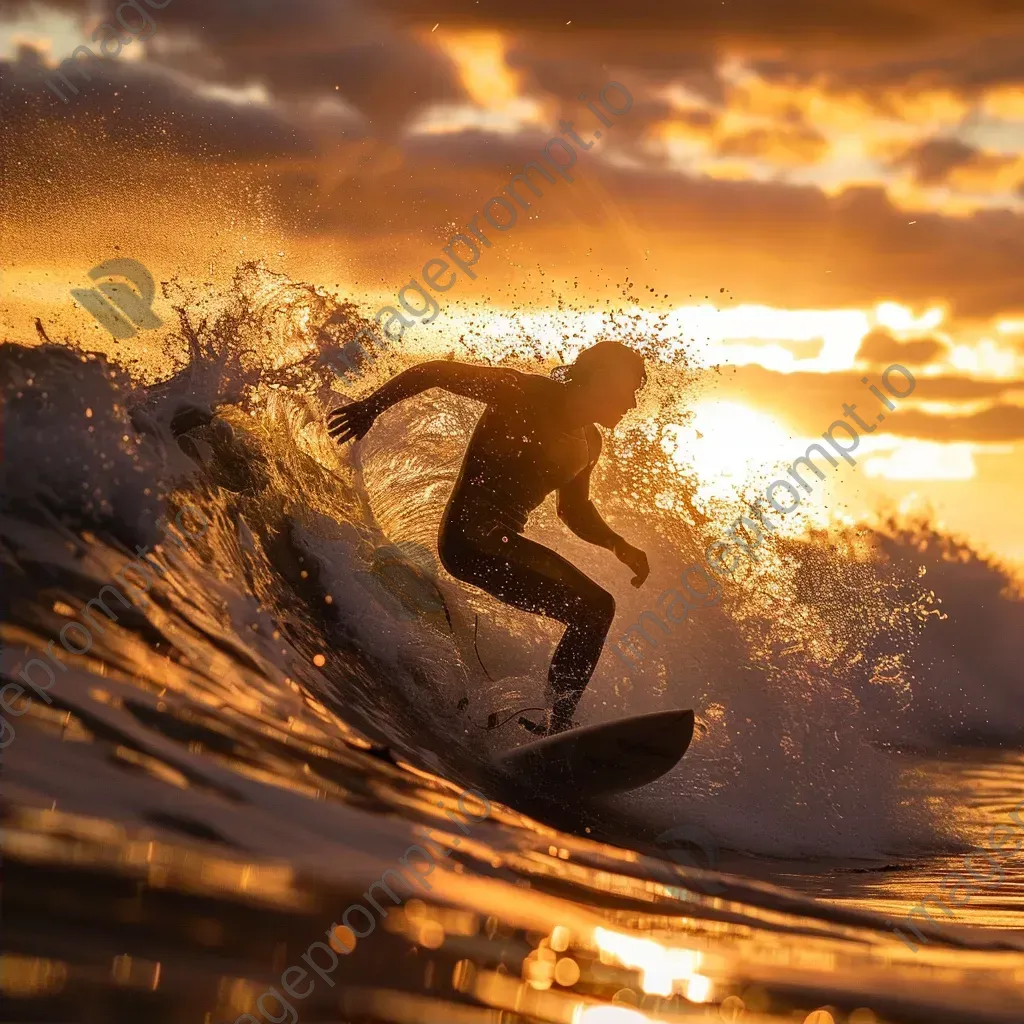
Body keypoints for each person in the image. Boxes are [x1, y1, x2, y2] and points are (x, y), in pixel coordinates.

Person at [327, 341, 650, 734]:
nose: (631, 403)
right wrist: (370, 407)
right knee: (598, 606)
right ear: (600, 378)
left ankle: (554, 725)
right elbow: (434, 371)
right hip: (468, 539)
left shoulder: (589, 443)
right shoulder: (522, 392)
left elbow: (574, 511)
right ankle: (557, 724)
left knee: (591, 613)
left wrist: (618, 544)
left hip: (500, 545)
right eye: (628, 390)